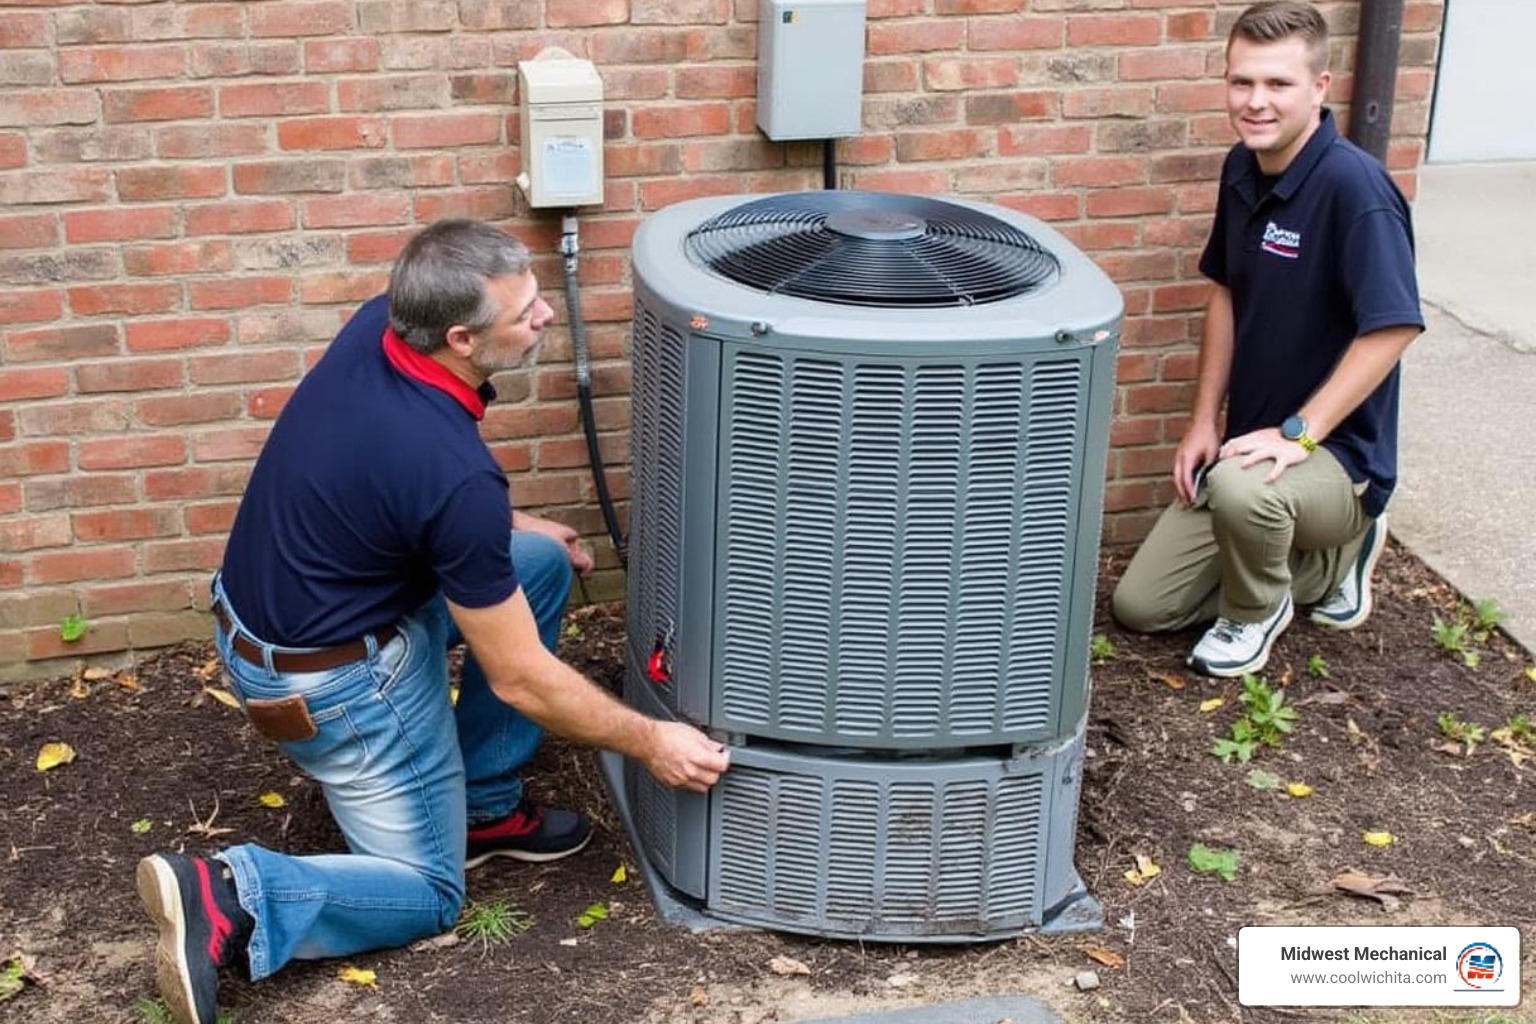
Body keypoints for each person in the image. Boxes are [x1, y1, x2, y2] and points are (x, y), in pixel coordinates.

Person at [135, 219, 731, 1024]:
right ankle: (236, 894)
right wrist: (653, 739)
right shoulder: (452, 475)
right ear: (459, 337)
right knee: (428, 893)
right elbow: (520, 677)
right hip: (338, 686)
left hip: (273, 617)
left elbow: (400, 486)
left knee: (540, 567)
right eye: (525, 313)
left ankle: (483, 804)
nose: (547, 316)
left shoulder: (379, 329)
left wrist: (505, 528)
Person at [1111, 0, 1424, 677]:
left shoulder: (1355, 190)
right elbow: (1224, 291)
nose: (1255, 102)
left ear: (1320, 87)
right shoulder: (1241, 167)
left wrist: (1301, 432)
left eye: (1278, 84)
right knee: (1143, 607)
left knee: (1245, 497)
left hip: (1334, 457)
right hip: (1246, 453)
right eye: (1241, 81)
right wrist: (1202, 420)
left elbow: (1394, 326)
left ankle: (1270, 603)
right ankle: (1312, 568)